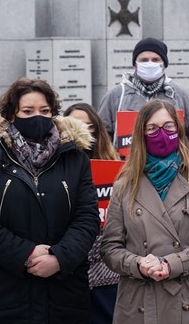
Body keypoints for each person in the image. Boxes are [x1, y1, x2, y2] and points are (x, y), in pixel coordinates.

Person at [0, 78, 99, 324]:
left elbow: (87, 219)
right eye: (27, 111)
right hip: (2, 292)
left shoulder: (76, 159)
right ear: (11, 115)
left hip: (63, 292)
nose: (37, 117)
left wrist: (59, 257)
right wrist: (26, 253)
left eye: (44, 111)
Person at [101, 99, 189, 324]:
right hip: (139, 301)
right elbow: (110, 248)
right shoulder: (124, 186)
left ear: (179, 131)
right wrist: (138, 264)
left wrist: (171, 264)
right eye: (152, 128)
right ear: (141, 134)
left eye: (168, 126)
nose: (161, 134)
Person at [97, 37, 189, 159]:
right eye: (144, 60)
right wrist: (111, 157)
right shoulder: (115, 96)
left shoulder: (180, 94)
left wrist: (187, 155)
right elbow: (100, 135)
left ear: (164, 64)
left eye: (155, 60)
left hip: (173, 168)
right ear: (135, 64)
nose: (150, 64)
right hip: (125, 168)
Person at [64, 103, 121, 324]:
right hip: (68, 268)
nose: (84, 131)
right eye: (76, 125)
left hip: (106, 273)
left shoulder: (114, 166)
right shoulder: (53, 166)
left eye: (90, 126)